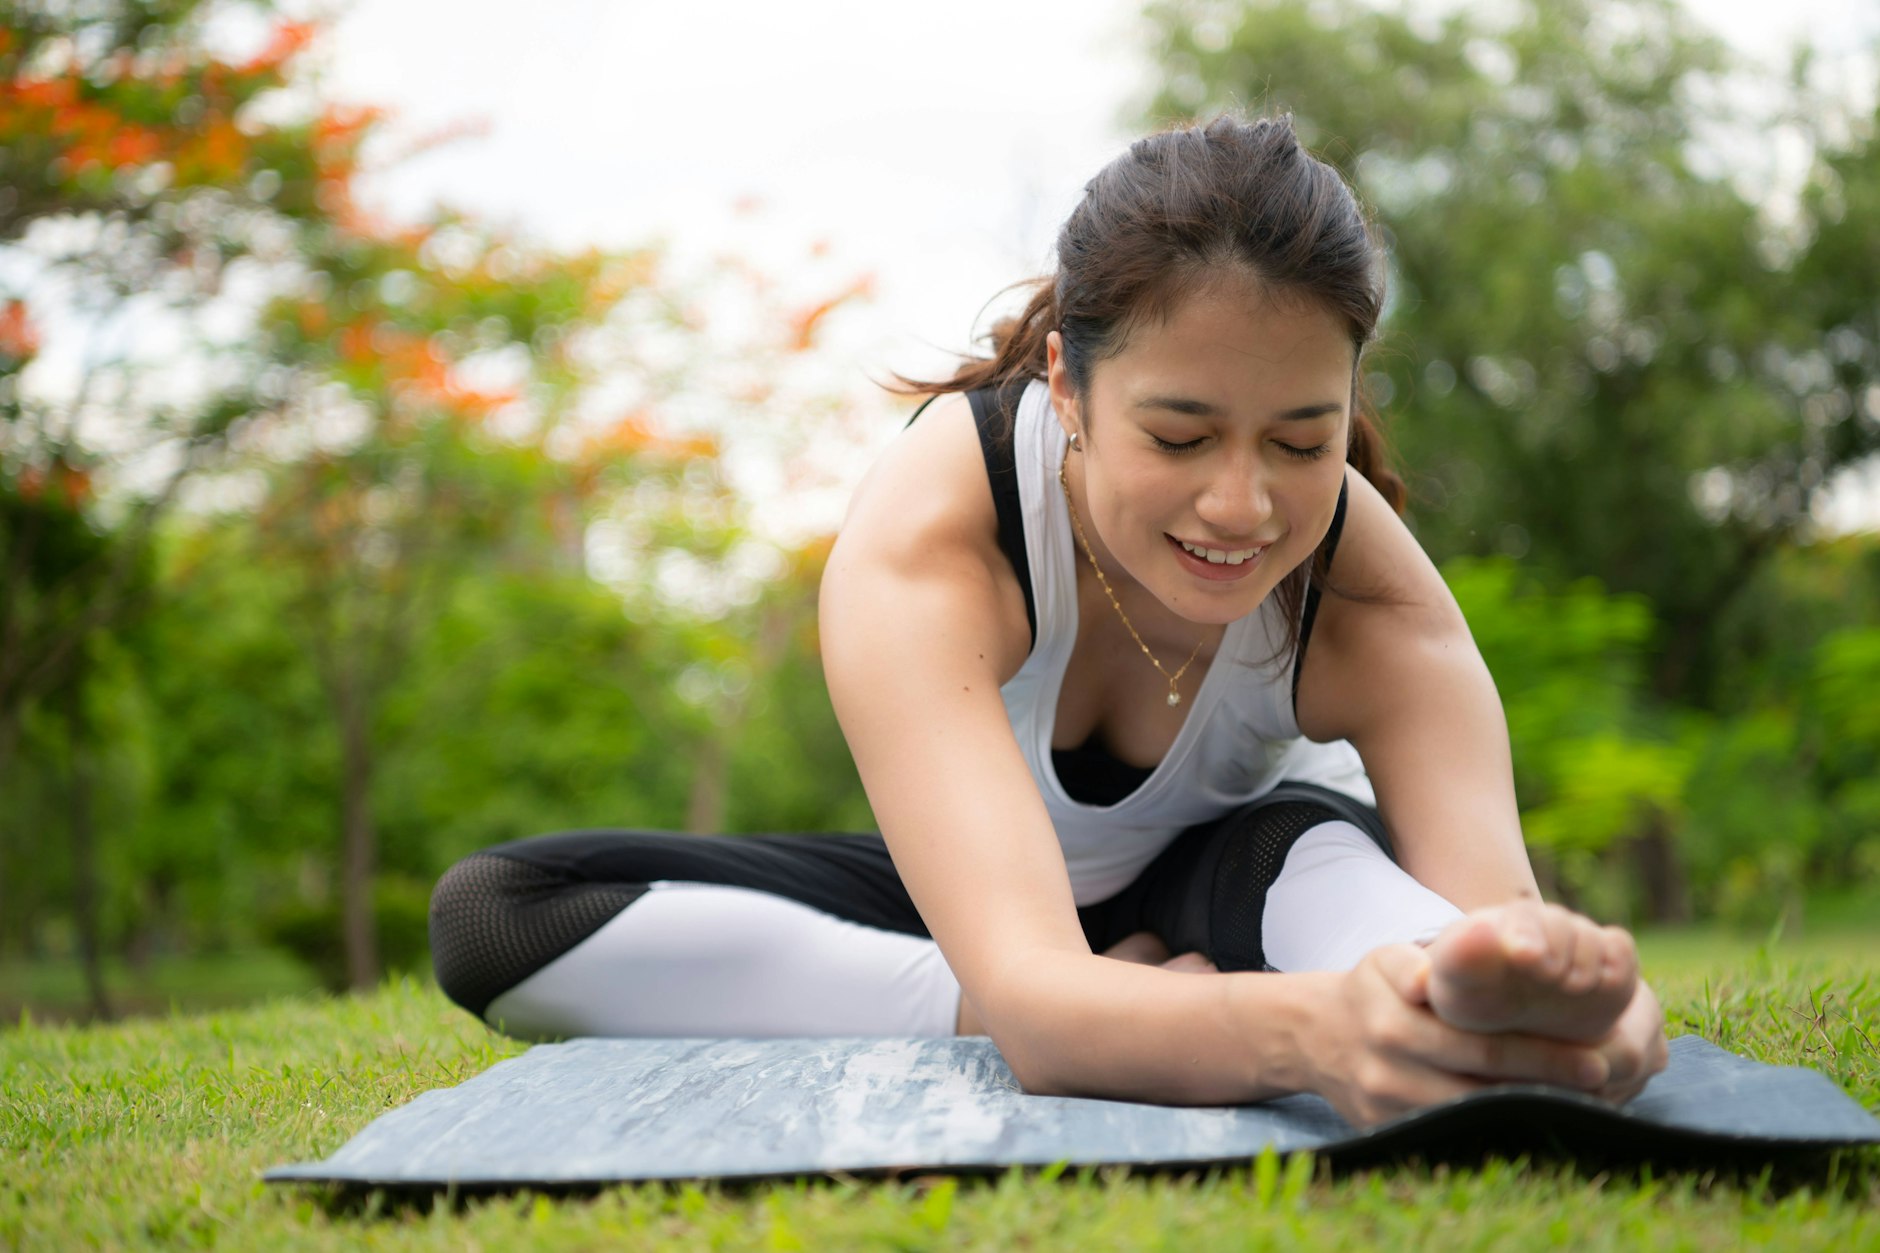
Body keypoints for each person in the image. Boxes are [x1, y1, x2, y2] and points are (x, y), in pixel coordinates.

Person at [428, 114, 1669, 1128]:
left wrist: (1552, 993)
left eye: (1303, 440)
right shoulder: (935, 535)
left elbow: (1492, 910)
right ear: (1069, 389)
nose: (1241, 504)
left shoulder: (1369, 598)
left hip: (1250, 880)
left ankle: (1339, 996)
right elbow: (1035, 997)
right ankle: (1112, 1002)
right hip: (990, 912)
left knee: (1353, 888)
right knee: (499, 915)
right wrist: (1306, 1032)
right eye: (1178, 436)